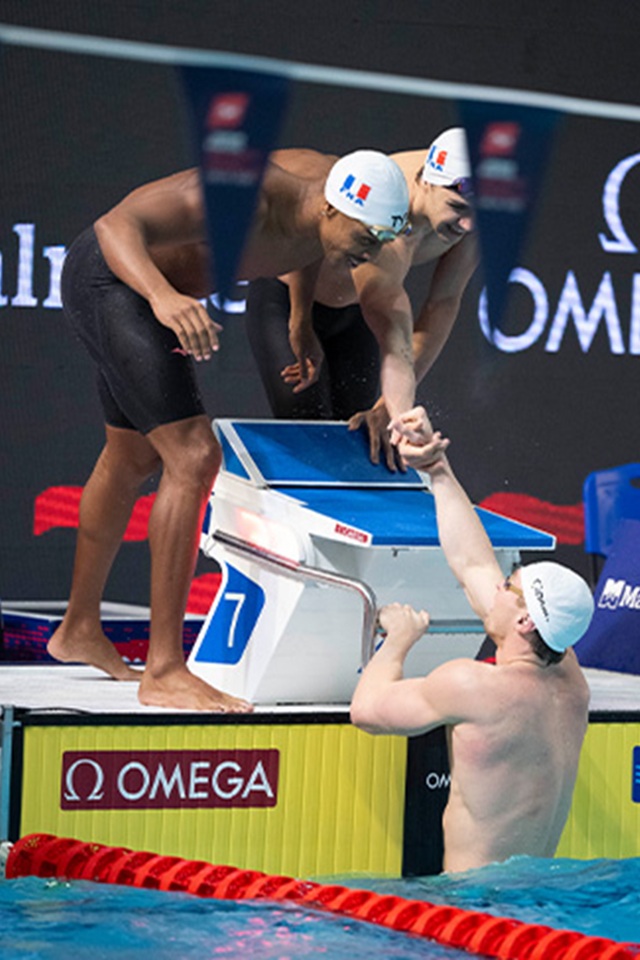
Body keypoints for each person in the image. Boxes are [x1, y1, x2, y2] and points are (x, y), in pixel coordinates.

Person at [48, 150, 411, 713]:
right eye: (368, 236)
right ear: (334, 209)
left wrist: (301, 321)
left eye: (384, 239)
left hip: (142, 298)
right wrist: (164, 298)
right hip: (113, 282)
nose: (373, 251)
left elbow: (304, 250)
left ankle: (78, 629)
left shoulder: (326, 206)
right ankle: (164, 670)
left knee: (131, 458)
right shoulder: (245, 197)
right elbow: (115, 225)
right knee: (193, 457)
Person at [350, 406, 594, 873]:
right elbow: (474, 566)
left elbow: (366, 710)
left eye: (508, 587)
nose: (496, 588)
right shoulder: (570, 681)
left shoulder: (474, 686)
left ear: (525, 622)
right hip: (536, 900)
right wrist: (437, 471)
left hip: (471, 903)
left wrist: (398, 639)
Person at [245, 128, 478, 466]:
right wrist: (300, 320)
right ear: (427, 182)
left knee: (363, 446)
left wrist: (391, 412)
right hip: (286, 302)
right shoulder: (384, 214)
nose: (467, 225)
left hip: (354, 316)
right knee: (313, 440)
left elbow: (443, 302)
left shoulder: (472, 214)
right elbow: (310, 234)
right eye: (456, 207)